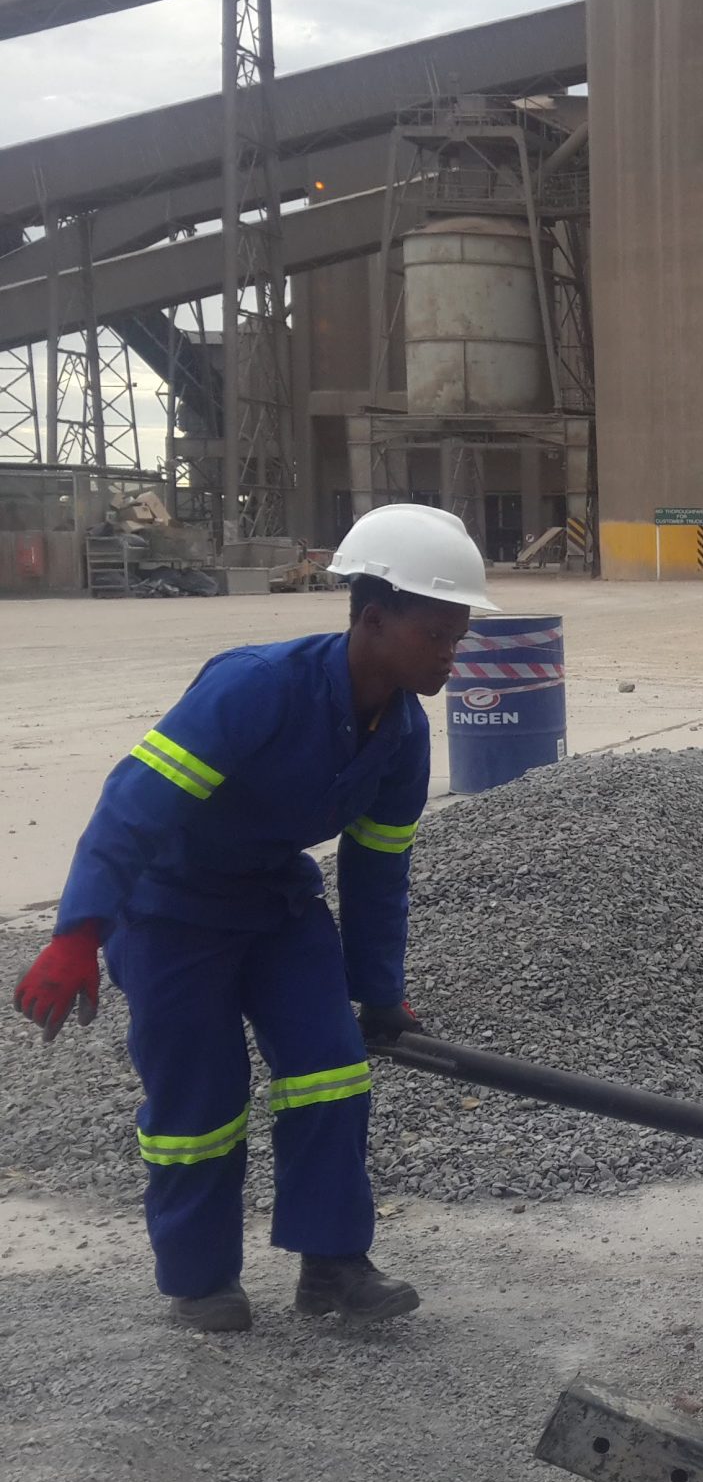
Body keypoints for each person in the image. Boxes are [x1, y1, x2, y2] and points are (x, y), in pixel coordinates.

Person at [9, 503, 495, 1332]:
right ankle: (200, 1281)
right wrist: (79, 932)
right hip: (170, 909)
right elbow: (132, 806)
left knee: (331, 1070)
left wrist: (379, 993)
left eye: (459, 636)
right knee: (200, 1100)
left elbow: (379, 871)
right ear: (374, 619)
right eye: (437, 634)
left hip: (275, 904)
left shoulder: (404, 734)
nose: (452, 652)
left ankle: (333, 1267)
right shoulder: (257, 687)